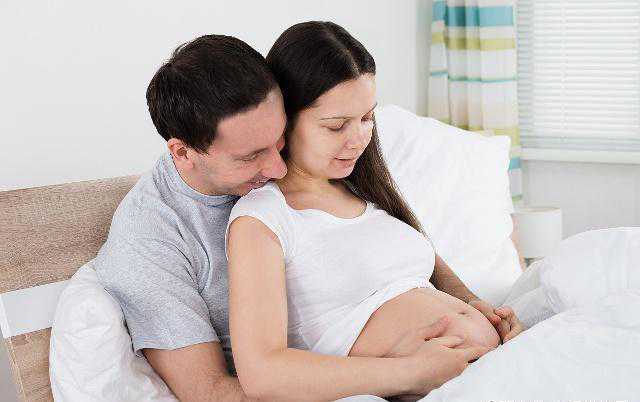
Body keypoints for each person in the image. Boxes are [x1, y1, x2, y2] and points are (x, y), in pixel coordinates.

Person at [225, 21, 525, 401]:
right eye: (336, 126)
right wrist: (413, 373)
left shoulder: (363, 189)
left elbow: (422, 268)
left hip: (493, 368)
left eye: (367, 118)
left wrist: (478, 308)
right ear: (284, 119)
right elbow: (262, 373)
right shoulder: (263, 220)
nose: (358, 139)